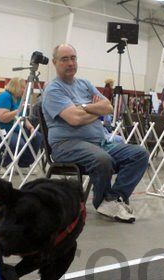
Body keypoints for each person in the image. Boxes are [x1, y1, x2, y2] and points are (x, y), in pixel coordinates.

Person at [42, 44, 149, 223]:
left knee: (139, 154)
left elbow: (108, 106)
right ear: (54, 62)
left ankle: (112, 199)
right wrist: (96, 110)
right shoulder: (53, 90)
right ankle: (103, 202)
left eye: (73, 58)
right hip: (67, 145)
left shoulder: (85, 84)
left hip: (99, 142)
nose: (70, 63)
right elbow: (74, 119)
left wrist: (83, 108)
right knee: (102, 159)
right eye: (65, 59)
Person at [0, 77, 42, 168]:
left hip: (12, 129)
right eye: (22, 87)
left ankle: (24, 165)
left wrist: (31, 128)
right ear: (16, 87)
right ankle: (0, 164)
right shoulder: (5, 96)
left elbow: (22, 117)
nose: (24, 90)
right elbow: (2, 118)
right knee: (18, 143)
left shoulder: (19, 99)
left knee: (37, 137)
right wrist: (18, 110)